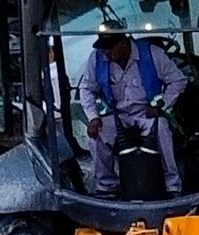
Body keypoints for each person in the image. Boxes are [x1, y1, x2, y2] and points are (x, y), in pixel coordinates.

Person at [77, 20, 189, 198]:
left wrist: (161, 105)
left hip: (147, 113)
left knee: (161, 129)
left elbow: (178, 80)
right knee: (97, 134)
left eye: (111, 47)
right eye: (104, 48)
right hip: (117, 116)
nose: (107, 52)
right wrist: (93, 117)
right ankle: (106, 188)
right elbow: (86, 88)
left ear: (123, 43)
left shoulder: (152, 54)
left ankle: (172, 186)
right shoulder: (97, 58)